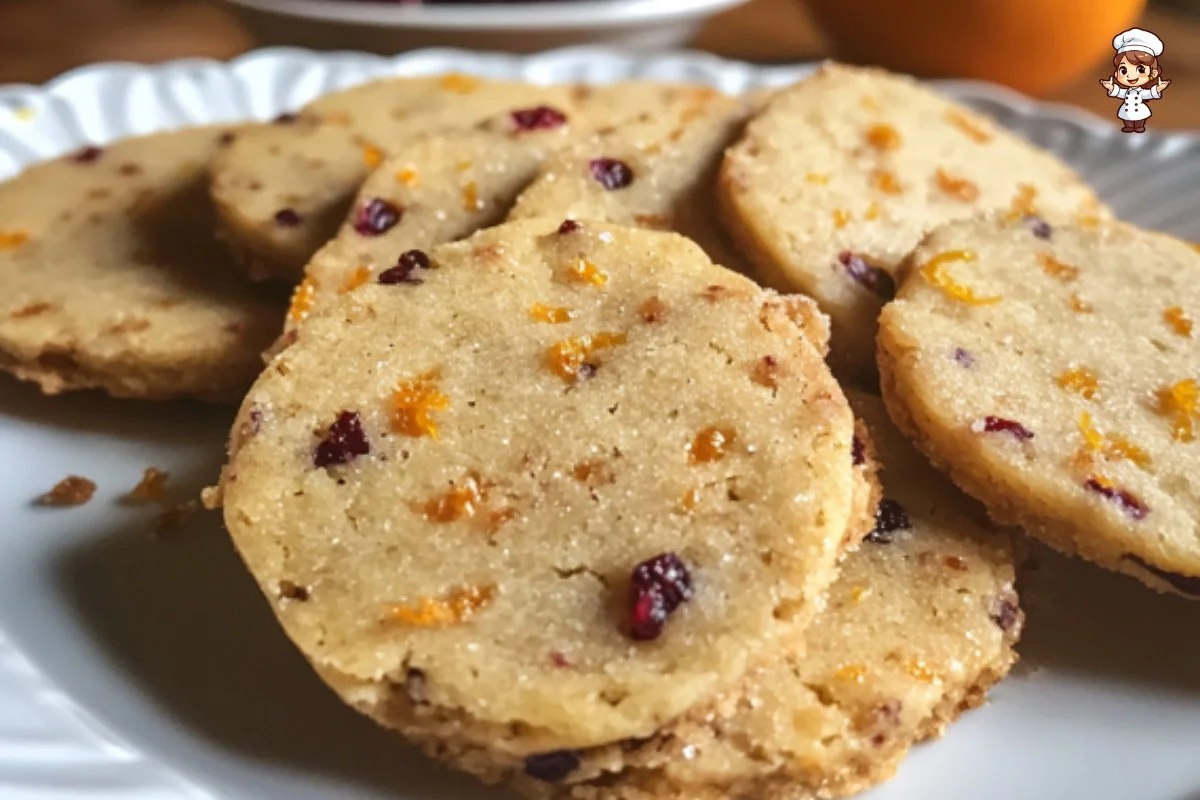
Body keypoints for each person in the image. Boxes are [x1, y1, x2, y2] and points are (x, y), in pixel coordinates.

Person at [1100, 28, 1170, 133]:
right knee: (1126, 119)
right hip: (1127, 111)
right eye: (1123, 70)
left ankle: (1138, 126)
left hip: (1139, 111)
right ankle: (1129, 126)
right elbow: (1120, 92)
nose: (1130, 75)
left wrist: (1158, 89)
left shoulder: (1141, 92)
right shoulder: (1126, 91)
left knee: (1139, 119)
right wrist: (1111, 88)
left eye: (1140, 69)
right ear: (1116, 73)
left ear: (1153, 73)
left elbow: (1149, 93)